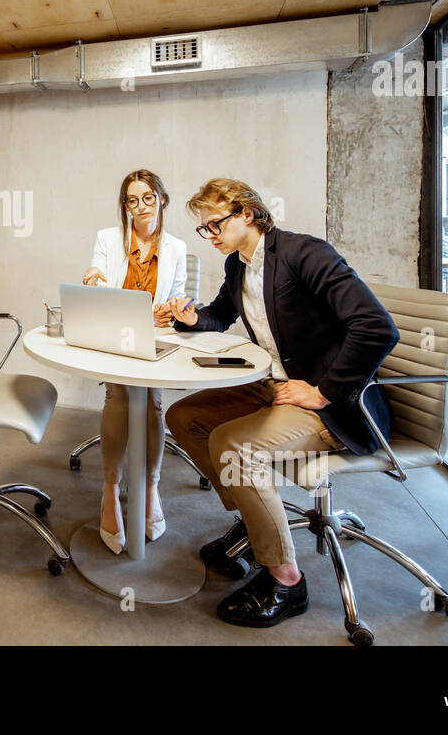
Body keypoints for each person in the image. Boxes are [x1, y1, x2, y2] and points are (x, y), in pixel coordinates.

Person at [160, 178, 398, 628]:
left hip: (333, 405)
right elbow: (220, 315)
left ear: (246, 214)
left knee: (233, 445)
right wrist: (193, 319)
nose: (209, 236)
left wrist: (323, 391)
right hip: (275, 385)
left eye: (214, 226)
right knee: (185, 416)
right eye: (203, 230)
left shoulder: (304, 253)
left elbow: (376, 327)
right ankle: (256, 526)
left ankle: (286, 580)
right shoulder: (238, 266)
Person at [81, 169, 187, 554]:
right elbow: (97, 283)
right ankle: (110, 490)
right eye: (131, 199)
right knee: (120, 397)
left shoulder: (176, 248)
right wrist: (92, 281)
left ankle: (150, 488)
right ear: (124, 205)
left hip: (153, 338)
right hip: (115, 333)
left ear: (162, 199)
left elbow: (179, 298)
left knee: (153, 401)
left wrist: (172, 311)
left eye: (147, 197)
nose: (139, 206)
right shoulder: (108, 240)